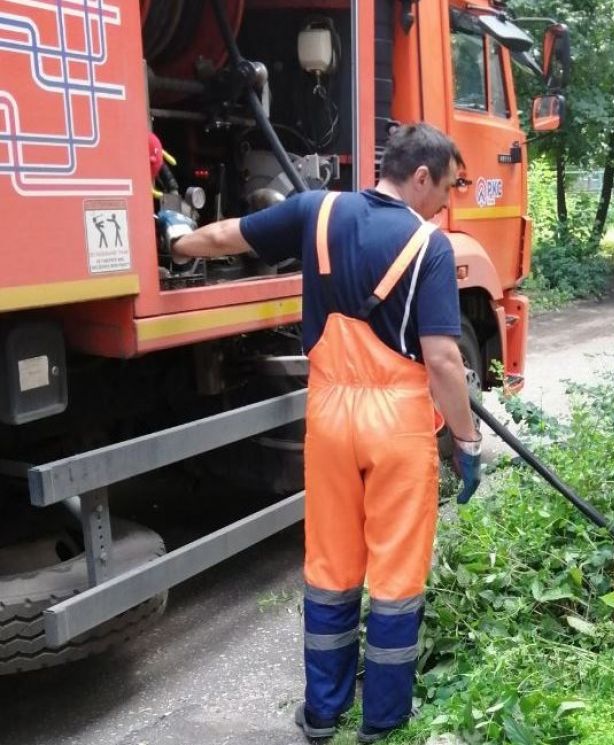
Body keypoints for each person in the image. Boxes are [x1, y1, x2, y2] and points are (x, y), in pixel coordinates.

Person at [159, 123, 482, 742]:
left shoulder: (317, 209)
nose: (446, 202)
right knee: (394, 577)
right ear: (421, 177)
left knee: (331, 564)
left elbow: (230, 236)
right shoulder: (431, 246)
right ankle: (384, 723)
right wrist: (466, 442)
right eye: (445, 188)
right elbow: (442, 359)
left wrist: (179, 243)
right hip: (396, 423)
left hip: (330, 413)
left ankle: (323, 714)